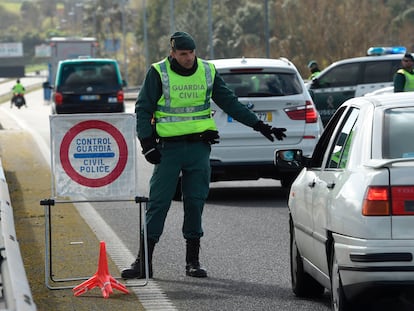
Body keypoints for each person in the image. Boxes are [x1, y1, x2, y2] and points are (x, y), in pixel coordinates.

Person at [121, 31, 286, 279]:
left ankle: (193, 262)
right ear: (173, 53)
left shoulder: (207, 71)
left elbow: (230, 102)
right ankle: (143, 261)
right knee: (158, 204)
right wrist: (147, 143)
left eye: (191, 53)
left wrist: (260, 125)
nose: (188, 58)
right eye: (183, 54)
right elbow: (143, 108)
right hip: (168, 150)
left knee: (195, 203)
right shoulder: (158, 72)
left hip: (199, 149)